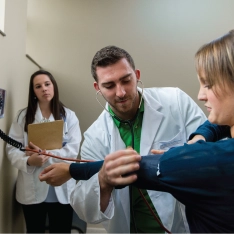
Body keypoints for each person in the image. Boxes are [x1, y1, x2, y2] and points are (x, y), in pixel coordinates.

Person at [42, 29, 234, 234]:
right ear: (97, 87)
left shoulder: (175, 102)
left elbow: (213, 150)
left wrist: (197, 140)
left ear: (137, 75)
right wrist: (102, 180)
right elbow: (86, 212)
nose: (121, 92)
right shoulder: (94, 137)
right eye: (109, 85)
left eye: (126, 80)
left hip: (179, 227)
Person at [6, 70, 82, 234]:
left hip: (61, 187)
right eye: (38, 86)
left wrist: (47, 156)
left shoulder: (69, 116)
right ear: (33, 92)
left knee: (61, 230)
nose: (44, 89)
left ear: (53, 86)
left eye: (47, 84)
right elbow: (12, 149)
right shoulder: (23, 116)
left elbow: (73, 150)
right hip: (31, 186)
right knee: (34, 230)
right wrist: (28, 161)